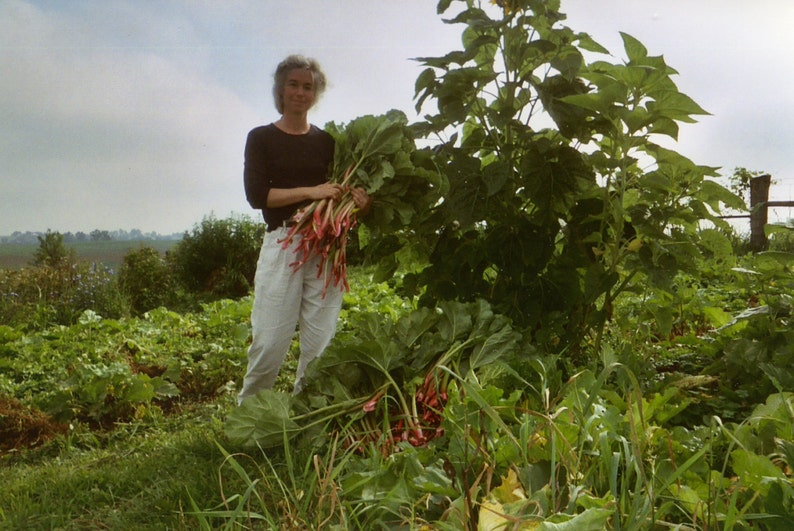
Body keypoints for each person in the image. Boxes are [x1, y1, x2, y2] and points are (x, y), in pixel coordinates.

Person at [238, 55, 371, 404]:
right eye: (293, 85)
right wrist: (312, 191)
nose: (300, 92)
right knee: (269, 340)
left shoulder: (327, 143)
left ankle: (306, 414)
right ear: (280, 91)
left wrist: (359, 202)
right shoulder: (262, 138)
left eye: (308, 86)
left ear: (316, 94)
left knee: (320, 342)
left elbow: (337, 196)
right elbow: (258, 196)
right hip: (285, 243)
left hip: (326, 247)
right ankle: (249, 413)